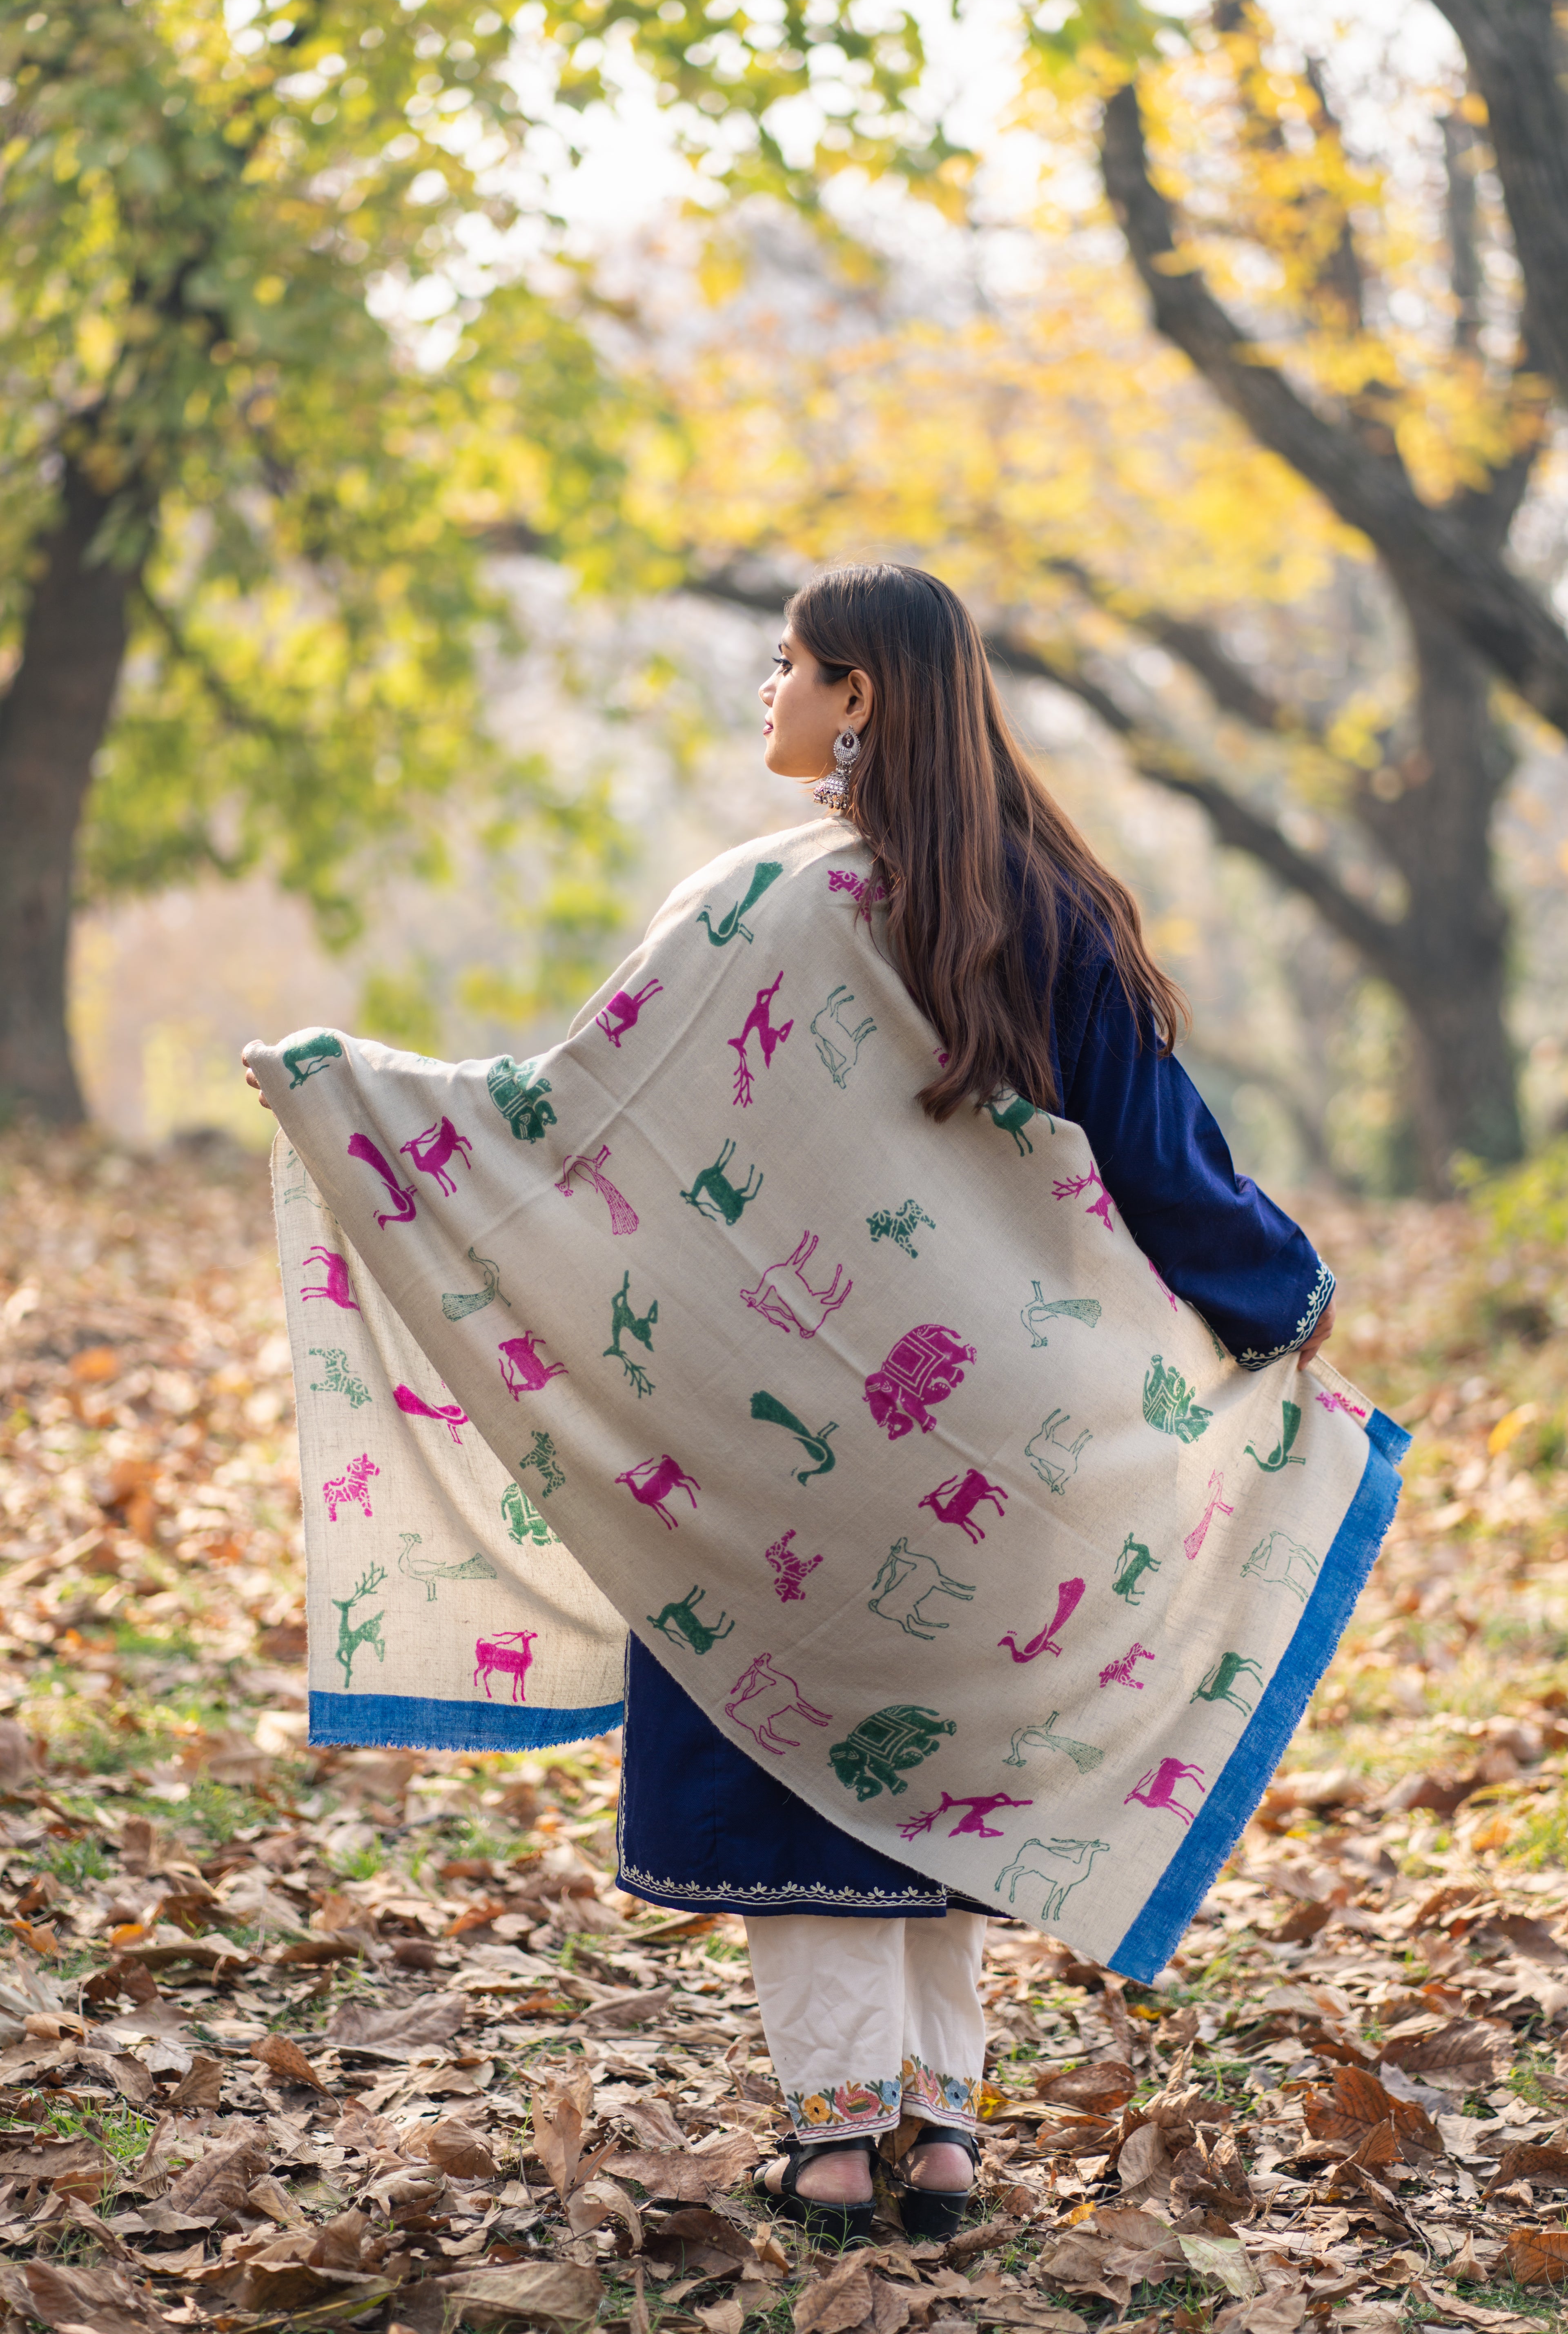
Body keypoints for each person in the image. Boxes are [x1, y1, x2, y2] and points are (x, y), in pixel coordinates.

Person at [245, 561, 1336, 2249]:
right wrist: (1289, 1304)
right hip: (1012, 1448)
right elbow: (1176, 1175)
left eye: (790, 668)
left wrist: (356, 1097)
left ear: (861, 700)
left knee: (802, 1757)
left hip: (779, 1448)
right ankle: (949, 2139)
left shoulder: (748, 908)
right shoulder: (1047, 907)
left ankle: (836, 2147)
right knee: (947, 1763)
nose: (769, 696)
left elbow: (568, 1129)